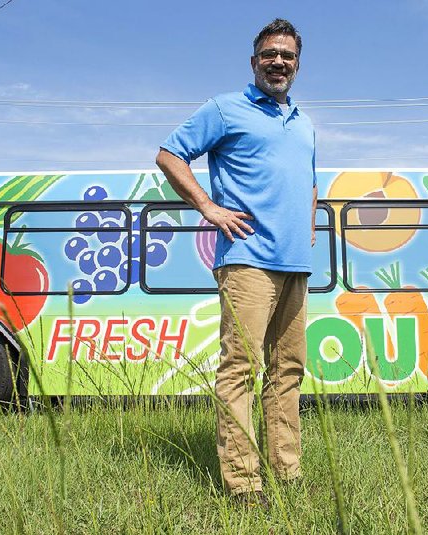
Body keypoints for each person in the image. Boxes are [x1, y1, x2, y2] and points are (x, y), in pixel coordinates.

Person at [156, 18, 317, 505]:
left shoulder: (304, 123)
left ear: (297, 63)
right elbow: (169, 155)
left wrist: (307, 229)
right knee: (240, 370)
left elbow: (309, 183)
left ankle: (287, 473)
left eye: (287, 55)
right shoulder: (225, 109)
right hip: (247, 261)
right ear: (254, 62)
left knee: (287, 370)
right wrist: (208, 207)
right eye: (270, 54)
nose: (279, 62)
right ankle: (244, 485)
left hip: (295, 264)